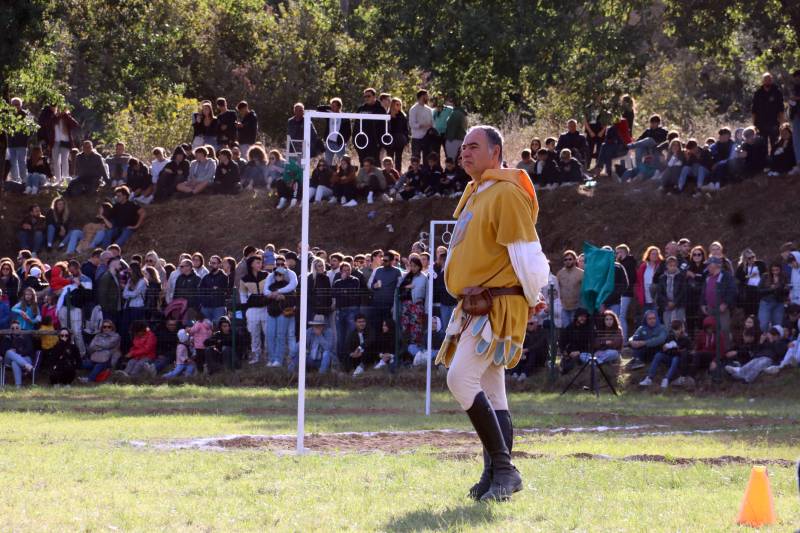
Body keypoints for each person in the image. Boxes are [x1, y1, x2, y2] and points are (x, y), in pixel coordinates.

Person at [434, 125, 549, 503]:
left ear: (496, 152)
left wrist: (532, 295)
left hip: (495, 304)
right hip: (475, 304)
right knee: (492, 390)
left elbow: (527, 252)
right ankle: (494, 475)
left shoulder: (506, 192)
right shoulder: (477, 192)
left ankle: (505, 469)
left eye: (474, 146)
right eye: (463, 148)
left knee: (460, 378)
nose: (464, 153)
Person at [639, 319, 691, 389]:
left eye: (678, 329)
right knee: (658, 355)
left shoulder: (685, 339)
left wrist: (672, 348)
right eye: (675, 329)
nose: (677, 331)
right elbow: (664, 349)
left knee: (675, 358)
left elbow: (683, 352)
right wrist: (667, 348)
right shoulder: (670, 337)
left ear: (682, 329)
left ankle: (666, 379)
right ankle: (649, 378)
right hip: (669, 358)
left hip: (678, 361)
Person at [264, 264, 298, 368]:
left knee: (280, 336)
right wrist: (270, 296)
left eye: (280, 274)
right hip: (271, 313)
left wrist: (283, 298)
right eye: (276, 274)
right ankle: (271, 359)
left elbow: (293, 301)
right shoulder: (270, 287)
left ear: (284, 275)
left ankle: (278, 360)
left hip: (283, 313)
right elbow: (264, 300)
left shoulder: (289, 287)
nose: (278, 276)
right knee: (270, 336)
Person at [239, 255, 269, 364]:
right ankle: (256, 356)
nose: (260, 264)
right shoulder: (244, 279)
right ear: (251, 264)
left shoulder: (266, 275)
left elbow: (270, 289)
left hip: (265, 308)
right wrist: (246, 308)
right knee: (254, 334)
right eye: (257, 262)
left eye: (260, 262)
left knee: (267, 333)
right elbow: (242, 295)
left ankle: (268, 356)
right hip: (252, 310)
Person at [398, 256, 427, 366]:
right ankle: (405, 355)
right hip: (406, 306)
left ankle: (415, 356)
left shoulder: (424, 278)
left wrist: (426, 310)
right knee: (405, 329)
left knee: (416, 331)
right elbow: (399, 288)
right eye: (411, 266)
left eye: (415, 266)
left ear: (419, 266)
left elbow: (426, 293)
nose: (413, 268)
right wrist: (407, 287)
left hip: (417, 306)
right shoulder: (406, 276)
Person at [751, 72, 784, 151]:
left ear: (771, 80)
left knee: (775, 144)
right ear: (762, 81)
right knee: (762, 145)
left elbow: (781, 109)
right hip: (760, 123)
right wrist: (753, 124)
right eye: (765, 79)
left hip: (774, 123)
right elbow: (754, 110)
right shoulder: (758, 93)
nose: (767, 81)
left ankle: (775, 158)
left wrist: (782, 123)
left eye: (769, 79)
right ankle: (764, 158)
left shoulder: (777, 92)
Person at [355, 88, 387, 164]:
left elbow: (385, 127)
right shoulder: (361, 109)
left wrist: (382, 144)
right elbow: (356, 126)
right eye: (365, 96)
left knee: (376, 166)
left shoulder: (381, 109)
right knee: (363, 165)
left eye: (368, 96)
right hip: (362, 143)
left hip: (376, 144)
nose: (366, 98)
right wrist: (355, 141)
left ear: (374, 96)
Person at [316, 97, 351, 166]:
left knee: (344, 163)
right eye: (331, 106)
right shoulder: (329, 114)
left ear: (339, 107)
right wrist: (330, 107)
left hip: (339, 144)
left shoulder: (345, 117)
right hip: (329, 143)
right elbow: (319, 108)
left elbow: (348, 132)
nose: (332, 107)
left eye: (334, 106)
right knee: (327, 164)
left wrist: (343, 142)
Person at [1, 321, 35, 387]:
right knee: (9, 352)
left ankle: (18, 386)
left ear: (20, 328)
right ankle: (26, 365)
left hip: (25, 357)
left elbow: (29, 349)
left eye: (17, 328)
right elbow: (2, 350)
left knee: (15, 362)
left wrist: (18, 353)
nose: (15, 329)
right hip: (9, 358)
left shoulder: (25, 336)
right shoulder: (7, 337)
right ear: (10, 329)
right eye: (12, 328)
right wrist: (10, 350)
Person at [656, 256, 687, 326]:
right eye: (670, 265)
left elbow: (682, 292)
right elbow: (660, 292)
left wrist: (675, 302)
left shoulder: (681, 277)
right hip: (666, 306)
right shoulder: (662, 278)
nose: (672, 267)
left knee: (679, 326)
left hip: (679, 305)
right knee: (667, 326)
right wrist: (667, 302)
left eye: (674, 265)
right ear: (667, 266)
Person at [758, 261, 788, 332]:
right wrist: (771, 289)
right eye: (773, 270)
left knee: (777, 326)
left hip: (779, 303)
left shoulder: (783, 277)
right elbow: (759, 290)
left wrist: (785, 289)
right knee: (763, 325)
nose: (775, 272)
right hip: (766, 302)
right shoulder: (765, 276)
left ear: (780, 270)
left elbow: (786, 292)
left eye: (777, 270)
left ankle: (774, 338)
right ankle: (764, 337)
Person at [409, 90, 434, 161]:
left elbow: (432, 122)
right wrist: (422, 125)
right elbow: (412, 124)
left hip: (427, 137)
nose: (428, 98)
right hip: (416, 138)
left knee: (427, 159)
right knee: (415, 159)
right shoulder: (413, 109)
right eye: (426, 96)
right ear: (422, 97)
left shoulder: (429, 110)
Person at [386, 97, 410, 171]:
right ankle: (389, 172)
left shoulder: (403, 116)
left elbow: (406, 129)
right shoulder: (387, 116)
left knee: (398, 158)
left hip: (400, 140)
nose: (399, 106)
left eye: (400, 104)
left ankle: (398, 173)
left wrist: (406, 140)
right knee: (389, 158)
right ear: (392, 105)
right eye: (397, 104)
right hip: (390, 140)